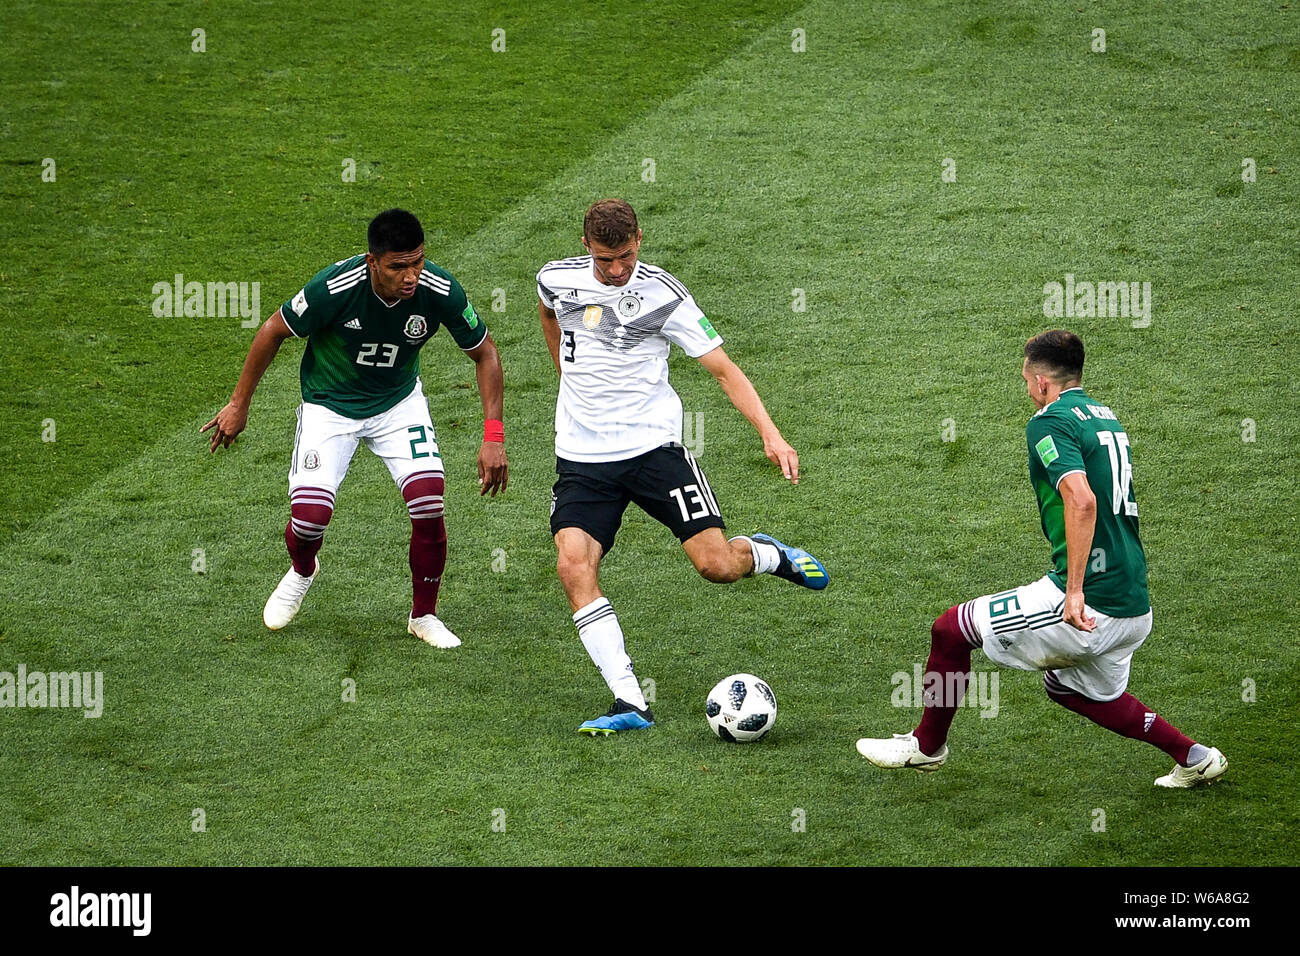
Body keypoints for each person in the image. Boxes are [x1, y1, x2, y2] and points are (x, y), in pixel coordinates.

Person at [856, 330, 1226, 787]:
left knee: (951, 631)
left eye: (1027, 381)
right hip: (1134, 600)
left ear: (1042, 383)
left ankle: (926, 747)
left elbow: (1083, 501)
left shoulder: (1049, 422)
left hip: (1092, 601)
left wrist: (1073, 591)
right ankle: (1194, 756)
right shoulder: (1105, 418)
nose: (1027, 390)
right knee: (1072, 688)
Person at [537, 198, 827, 735]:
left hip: (654, 451)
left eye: (625, 256)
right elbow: (548, 315)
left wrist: (771, 434)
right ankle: (629, 701)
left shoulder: (664, 295)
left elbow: (722, 369)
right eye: (605, 260)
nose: (617, 270)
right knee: (573, 566)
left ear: (639, 240)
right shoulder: (555, 280)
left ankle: (764, 553)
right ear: (586, 247)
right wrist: (564, 370)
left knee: (716, 566)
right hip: (582, 457)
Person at [202, 209, 507, 648]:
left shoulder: (439, 290)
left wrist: (493, 435)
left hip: (398, 404)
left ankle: (423, 615)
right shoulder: (335, 287)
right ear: (372, 262)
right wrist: (238, 404)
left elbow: (486, 354)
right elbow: (273, 330)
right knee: (309, 520)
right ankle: (304, 569)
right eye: (398, 266)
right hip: (329, 407)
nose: (411, 276)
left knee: (428, 501)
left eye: (417, 262)